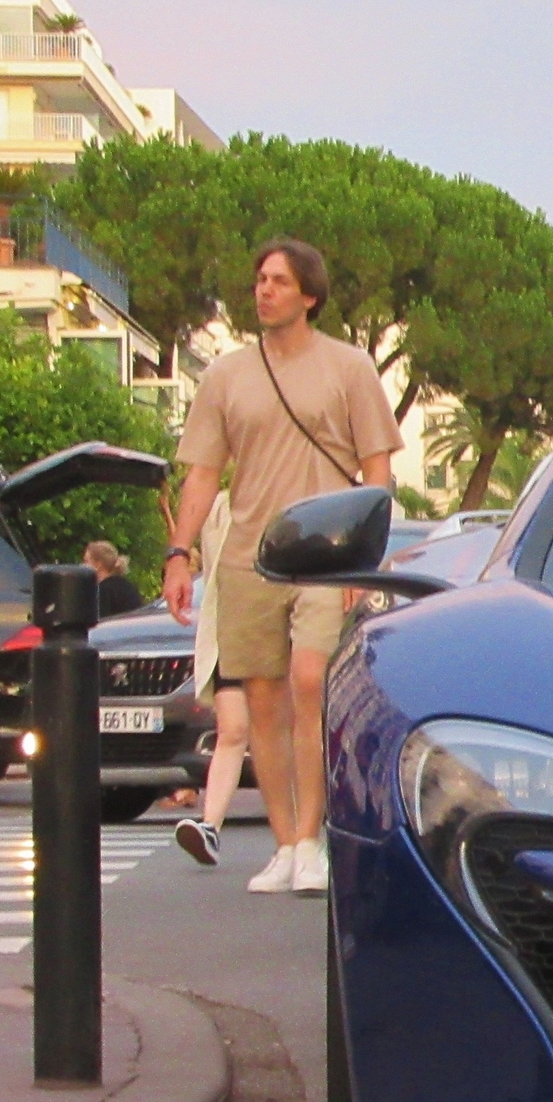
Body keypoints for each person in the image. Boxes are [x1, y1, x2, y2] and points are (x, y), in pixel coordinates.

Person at [163, 240, 402, 895]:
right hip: (248, 557)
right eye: (259, 279)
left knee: (308, 681)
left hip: (325, 557)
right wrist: (180, 553)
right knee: (261, 699)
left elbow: (378, 467)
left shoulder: (348, 367)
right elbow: (203, 474)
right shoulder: (226, 376)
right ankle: (287, 842)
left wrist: (364, 555)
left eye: (278, 281)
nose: (263, 290)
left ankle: (314, 838)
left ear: (309, 296)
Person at [173, 493, 249, 866]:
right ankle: (209, 826)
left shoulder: (292, 487)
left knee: (294, 732)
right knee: (232, 730)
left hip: (283, 629)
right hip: (232, 630)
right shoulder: (219, 504)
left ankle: (304, 840)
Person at [83, 541, 141, 618]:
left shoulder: (102, 591)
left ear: (98, 564)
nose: (83, 565)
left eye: (86, 561)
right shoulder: (128, 586)